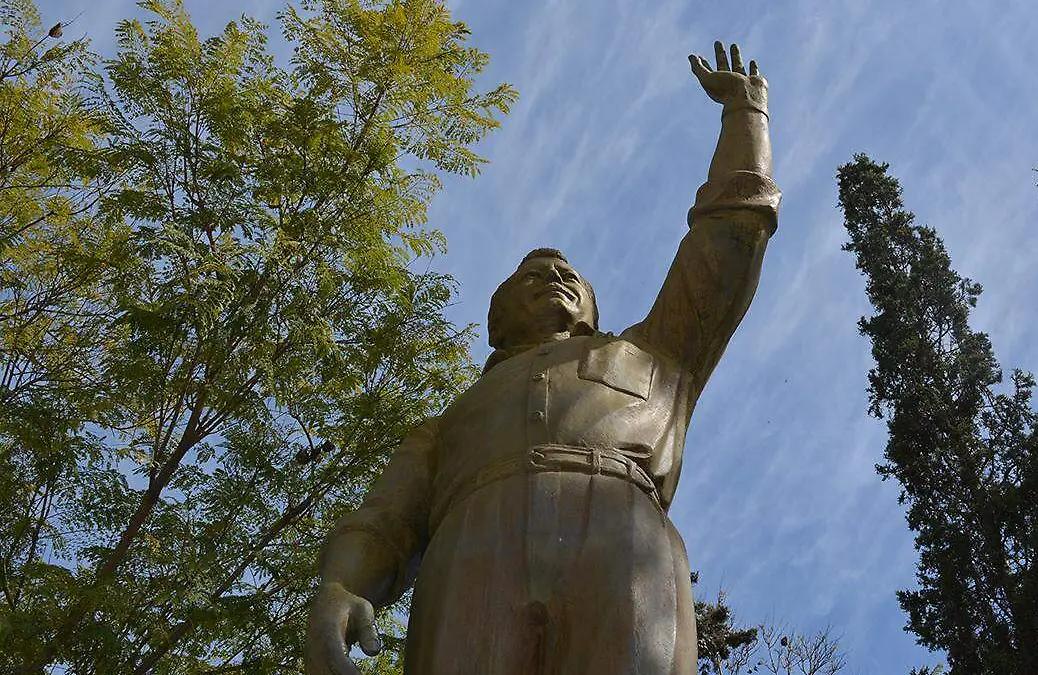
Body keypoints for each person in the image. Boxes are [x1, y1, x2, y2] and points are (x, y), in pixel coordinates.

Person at [305, 41, 779, 675]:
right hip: (472, 550)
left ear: (591, 306)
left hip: (623, 542)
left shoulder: (655, 353)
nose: (553, 274)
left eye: (566, 274)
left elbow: (725, 244)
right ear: (498, 317)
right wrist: (342, 586)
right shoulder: (451, 424)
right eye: (531, 275)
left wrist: (745, 115)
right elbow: (387, 519)